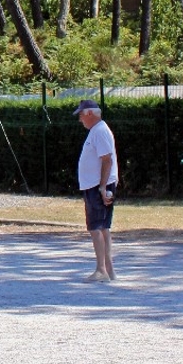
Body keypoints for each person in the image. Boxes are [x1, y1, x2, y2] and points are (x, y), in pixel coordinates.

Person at [76, 99, 119, 282]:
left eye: (81, 115)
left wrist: (102, 187)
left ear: (89, 114)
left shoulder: (100, 131)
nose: (80, 119)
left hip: (98, 187)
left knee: (97, 228)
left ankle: (101, 270)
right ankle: (108, 270)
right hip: (95, 186)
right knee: (101, 227)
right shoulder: (97, 130)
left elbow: (107, 160)